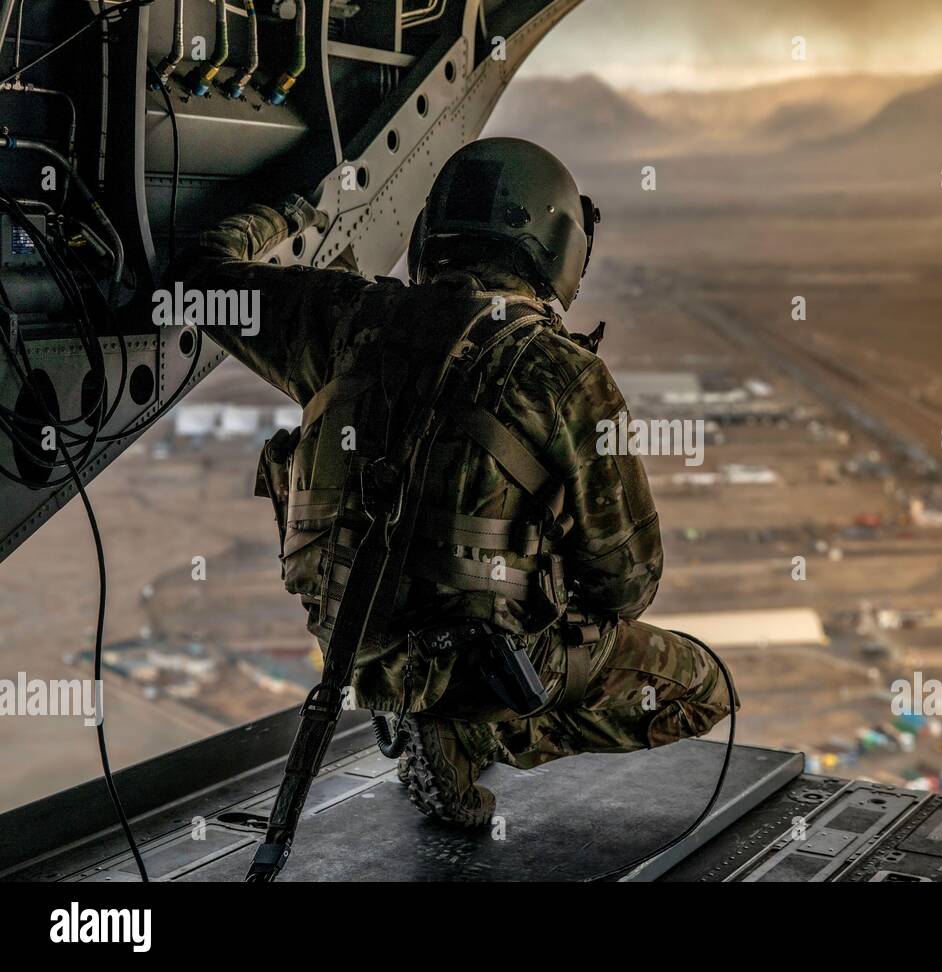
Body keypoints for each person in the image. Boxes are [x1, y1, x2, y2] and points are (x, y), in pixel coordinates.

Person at [168, 137, 735, 827]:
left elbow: (195, 275)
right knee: (704, 687)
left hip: (362, 654)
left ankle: (427, 721)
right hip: (497, 669)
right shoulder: (566, 376)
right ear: (559, 245)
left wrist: (293, 213)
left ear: (430, 231)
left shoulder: (342, 317)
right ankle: (471, 733)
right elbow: (629, 584)